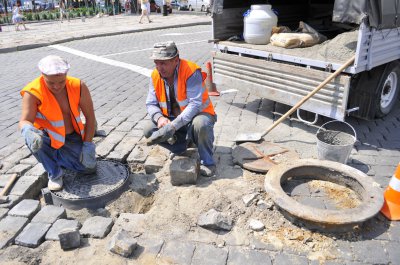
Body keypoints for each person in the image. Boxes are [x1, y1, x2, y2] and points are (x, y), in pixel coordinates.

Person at [19, 55, 97, 191]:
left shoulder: (78, 86)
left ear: (66, 74)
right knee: (35, 140)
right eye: (51, 82)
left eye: (61, 82)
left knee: (88, 169)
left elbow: (90, 117)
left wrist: (88, 145)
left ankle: (60, 158)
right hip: (48, 138)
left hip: (72, 137)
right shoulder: (32, 92)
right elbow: (25, 120)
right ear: (42, 75)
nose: (56, 86)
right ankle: (54, 173)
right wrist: (27, 130)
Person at [144, 41, 217, 177]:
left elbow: (195, 104)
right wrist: (159, 118)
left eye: (163, 63)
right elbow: (151, 103)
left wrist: (173, 126)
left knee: (202, 125)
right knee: (149, 129)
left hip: (199, 115)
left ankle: (207, 161)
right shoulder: (155, 75)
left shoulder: (190, 71)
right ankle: (180, 148)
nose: (159, 67)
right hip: (173, 119)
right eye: (157, 63)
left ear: (175, 60)